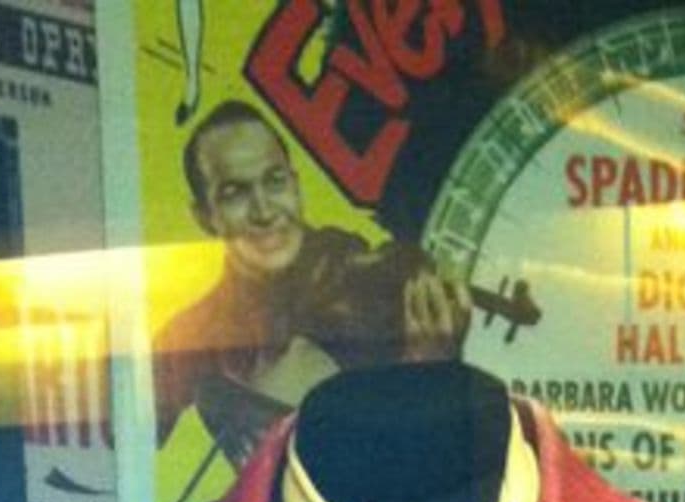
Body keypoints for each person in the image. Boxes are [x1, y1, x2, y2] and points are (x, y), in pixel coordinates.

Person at [152, 102, 467, 467]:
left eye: (275, 181)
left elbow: (435, 458)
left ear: (296, 185)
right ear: (205, 217)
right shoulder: (187, 338)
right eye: (234, 193)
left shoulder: (378, 283)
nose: (264, 211)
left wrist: (431, 371)